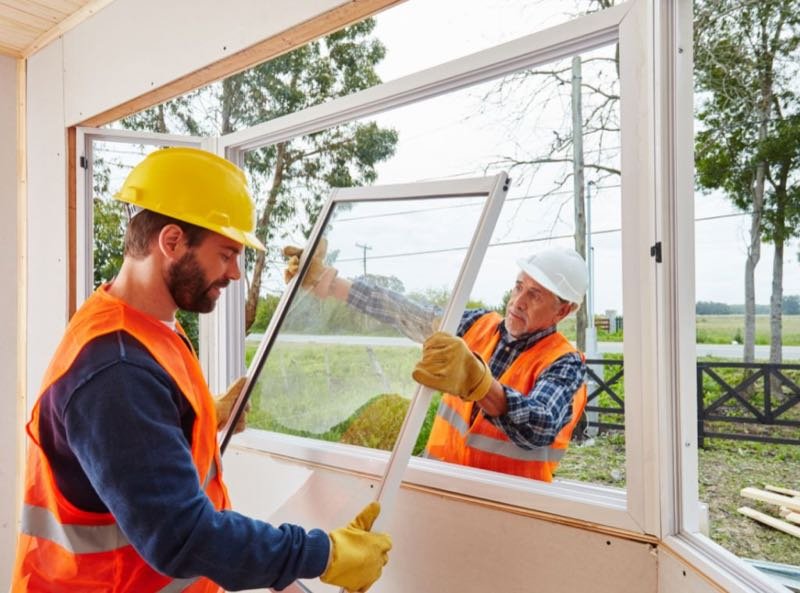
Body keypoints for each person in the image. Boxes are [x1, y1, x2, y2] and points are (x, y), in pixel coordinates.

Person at [12, 148, 391, 593]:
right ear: (171, 242)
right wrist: (320, 554)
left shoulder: (144, 327)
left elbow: (138, 454)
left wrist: (201, 418)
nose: (235, 273)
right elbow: (182, 537)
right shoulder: (116, 371)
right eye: (227, 253)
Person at [283, 240, 588, 482]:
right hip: (439, 486)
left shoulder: (565, 364)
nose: (518, 301)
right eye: (519, 287)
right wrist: (332, 285)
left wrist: (480, 384)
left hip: (507, 510)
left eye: (534, 295)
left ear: (563, 311)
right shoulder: (476, 326)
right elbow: (408, 313)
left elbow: (540, 424)